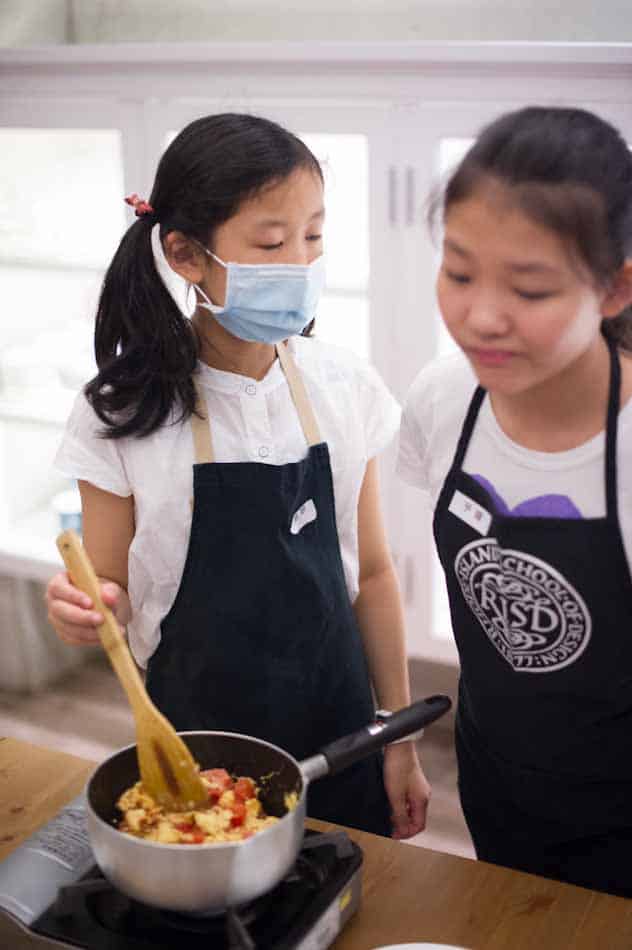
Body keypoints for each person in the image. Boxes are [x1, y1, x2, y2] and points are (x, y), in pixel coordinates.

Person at [46, 112, 428, 838]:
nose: (301, 263)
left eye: (313, 237)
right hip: (198, 754)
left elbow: (375, 576)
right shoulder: (122, 411)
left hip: (344, 737)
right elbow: (108, 597)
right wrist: (82, 610)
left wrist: (399, 738)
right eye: (272, 243)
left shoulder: (343, 387)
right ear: (186, 254)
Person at [397, 106, 632, 894]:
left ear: (615, 288)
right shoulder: (443, 398)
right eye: (459, 274)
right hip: (497, 779)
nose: (481, 317)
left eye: (529, 288)